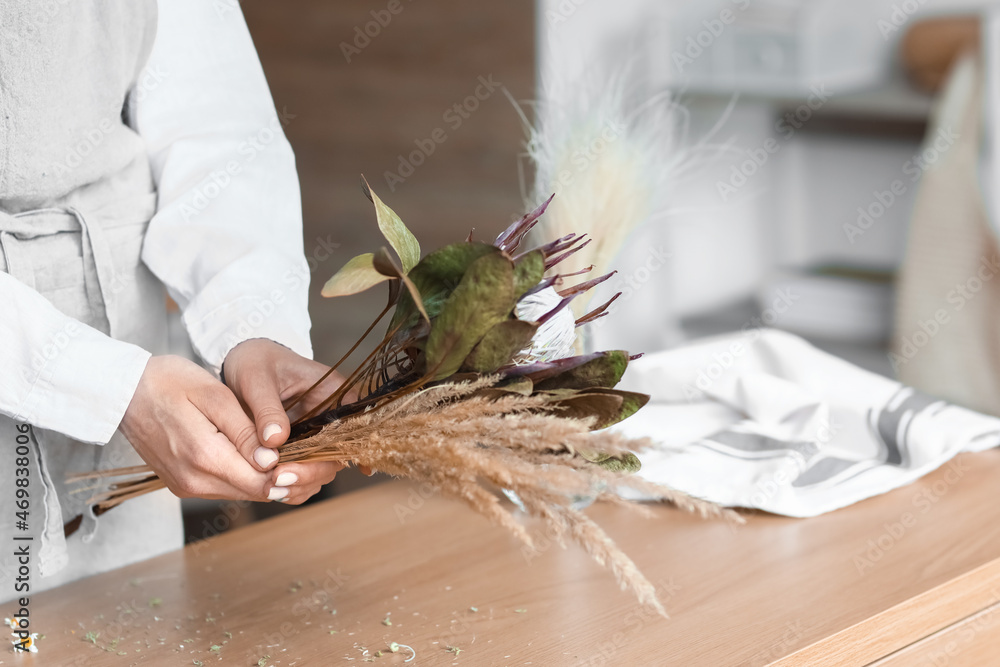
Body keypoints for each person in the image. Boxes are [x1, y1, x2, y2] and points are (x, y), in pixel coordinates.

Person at [0, 0, 350, 596]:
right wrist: (106, 386)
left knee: (127, 628)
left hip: (123, 347)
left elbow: (214, 125)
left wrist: (251, 324)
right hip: (122, 376)